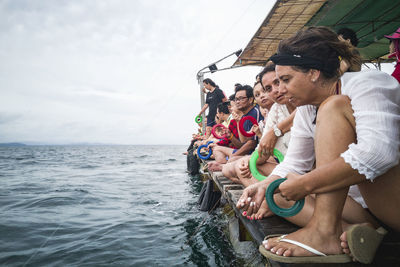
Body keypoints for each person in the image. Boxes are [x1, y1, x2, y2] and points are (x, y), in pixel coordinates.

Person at [236, 26, 400, 264]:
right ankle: (353, 230)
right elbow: (295, 162)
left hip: (392, 202)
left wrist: (306, 183)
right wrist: (265, 186)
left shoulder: (368, 83)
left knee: (334, 107)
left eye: (285, 80)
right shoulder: (306, 109)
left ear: (313, 72)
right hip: (363, 210)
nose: (279, 90)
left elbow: (379, 153)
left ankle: (324, 233)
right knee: (277, 193)